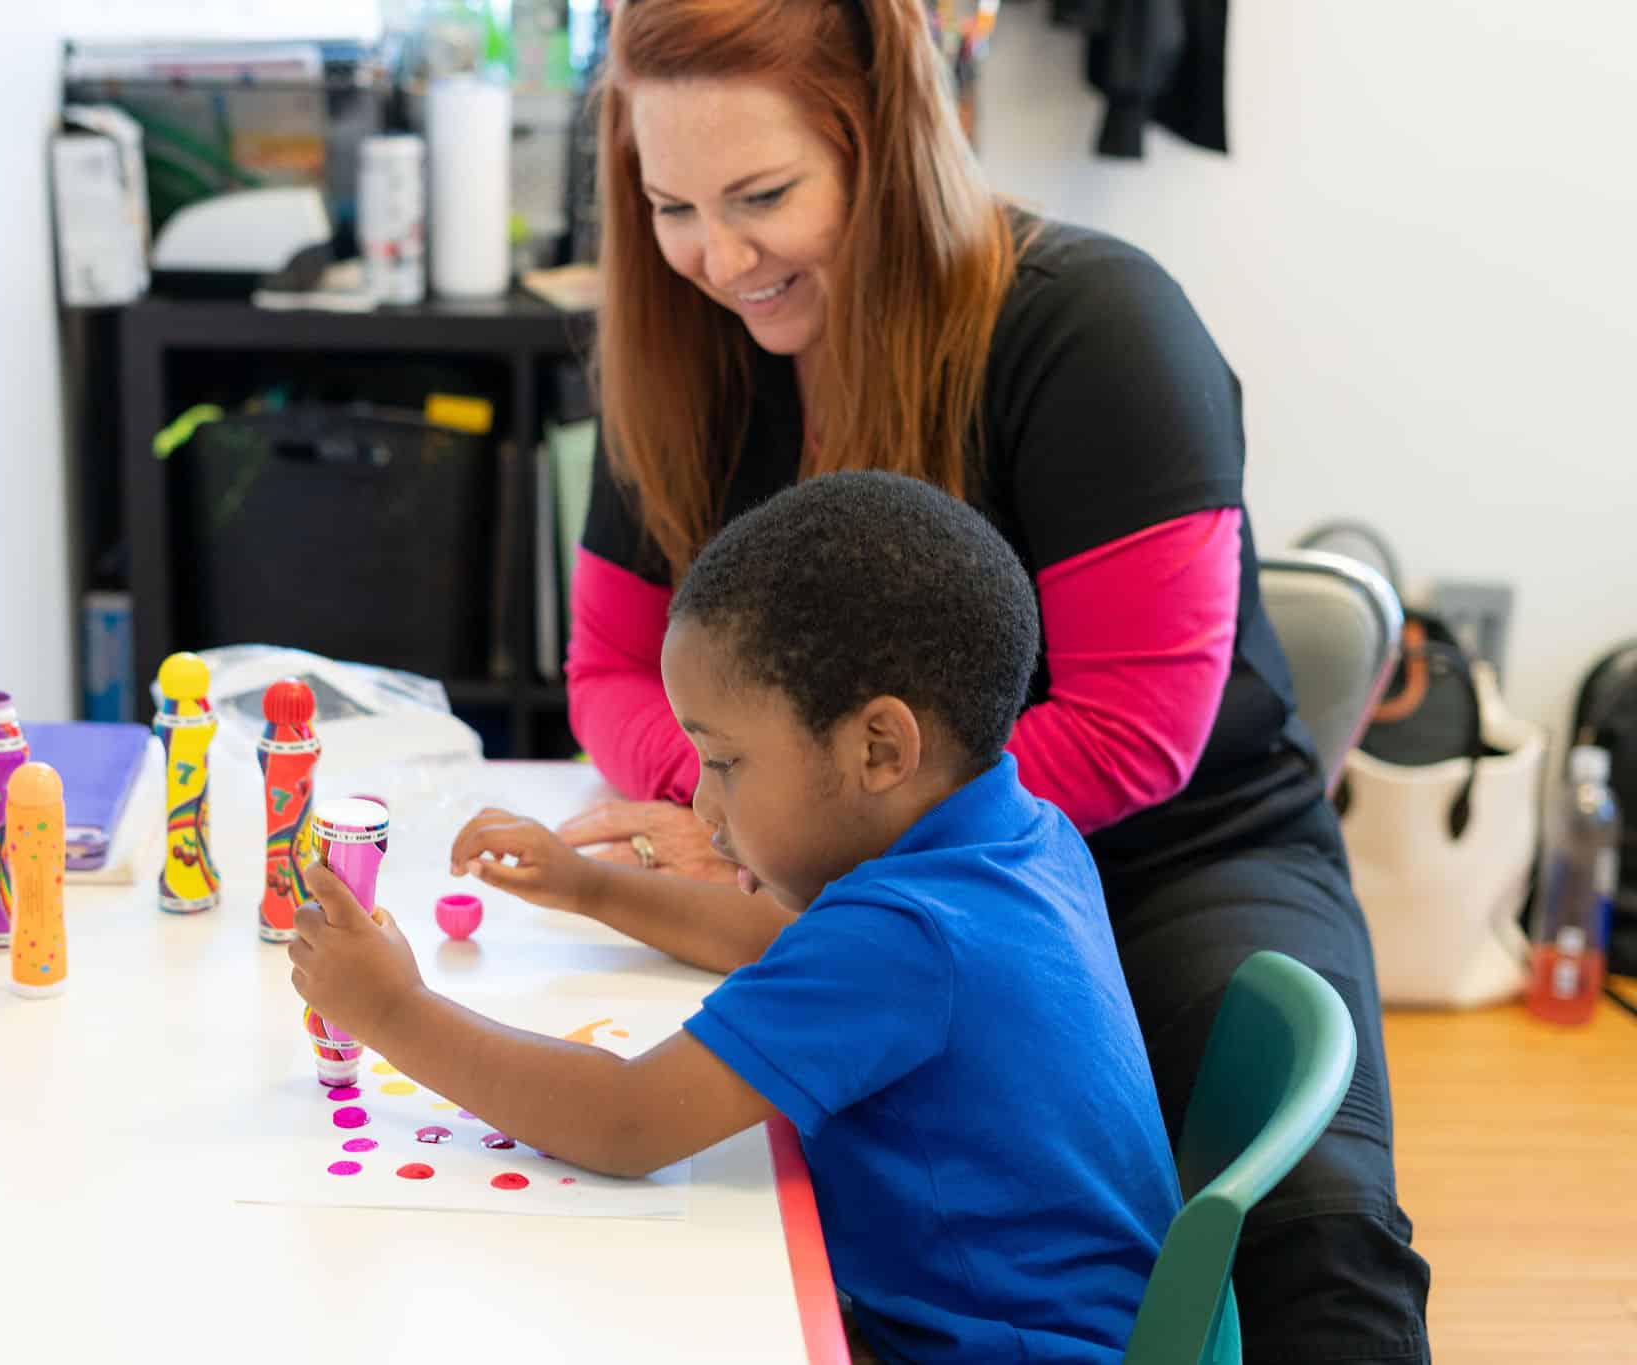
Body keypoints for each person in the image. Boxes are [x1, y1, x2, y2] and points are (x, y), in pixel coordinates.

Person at [554, 2, 1431, 1361]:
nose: (717, 260)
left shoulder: (1097, 328)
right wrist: (740, 804)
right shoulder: (684, 358)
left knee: (1313, 1227)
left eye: (764, 196)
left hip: (1172, 852)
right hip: (855, 857)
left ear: (887, 146)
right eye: (671, 207)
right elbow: (607, 666)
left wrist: (796, 832)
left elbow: (1134, 736)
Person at [291, 471, 1180, 1364]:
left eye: (725, 761)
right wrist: (591, 887)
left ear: (880, 748)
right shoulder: (1015, 837)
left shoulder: (909, 937)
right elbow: (788, 944)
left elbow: (627, 1121)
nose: (706, 809)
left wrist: (390, 1009)